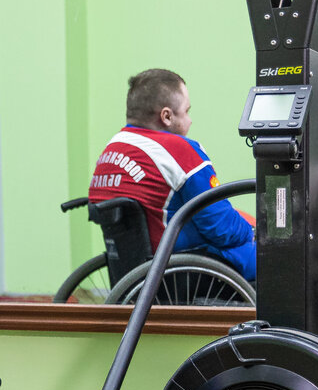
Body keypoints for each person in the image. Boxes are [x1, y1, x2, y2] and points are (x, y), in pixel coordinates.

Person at [88, 68, 257, 280]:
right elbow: (221, 230)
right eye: (186, 111)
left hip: (132, 269)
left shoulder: (111, 150)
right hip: (181, 270)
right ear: (166, 116)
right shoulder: (180, 150)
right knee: (279, 255)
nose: (190, 120)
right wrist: (252, 231)